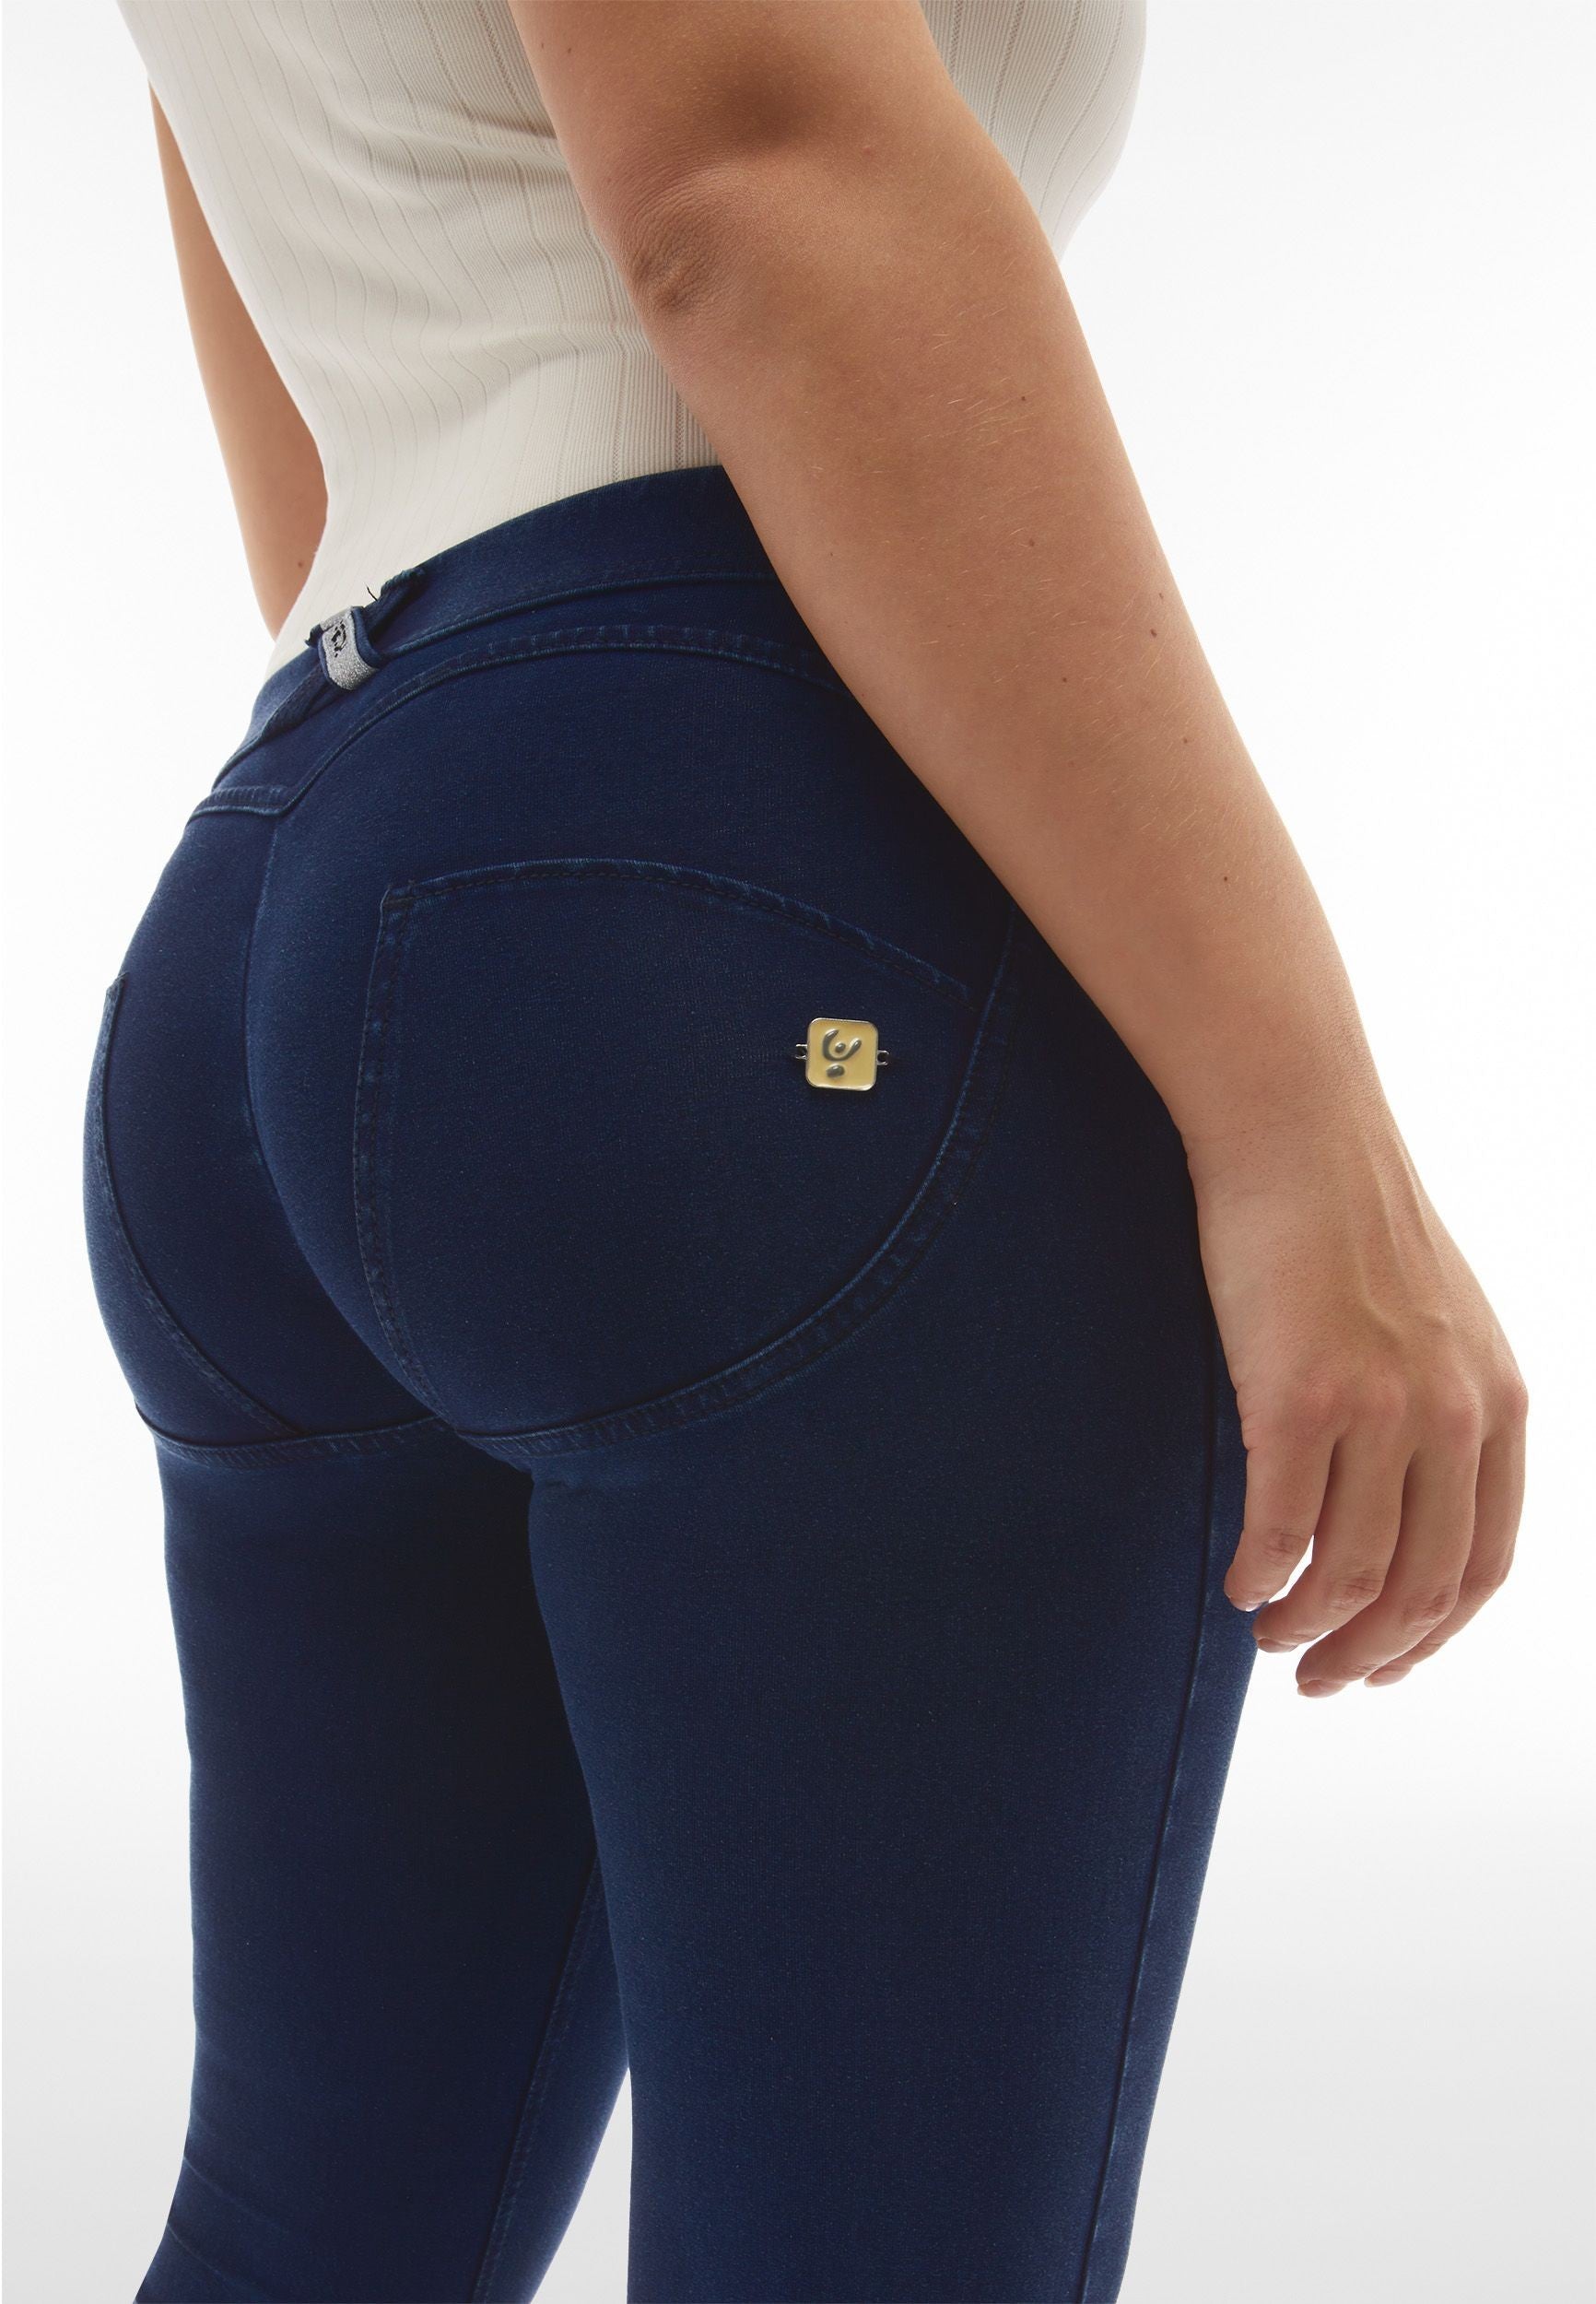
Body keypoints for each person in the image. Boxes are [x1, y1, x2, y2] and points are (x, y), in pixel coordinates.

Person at [86, 4, 1527, 2300]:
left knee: (312, 2244)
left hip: (297, 869)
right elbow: (749, 170)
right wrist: (1293, 1117)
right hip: (721, 867)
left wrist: (457, 880)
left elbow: (316, 273)